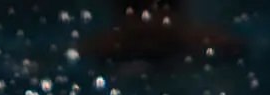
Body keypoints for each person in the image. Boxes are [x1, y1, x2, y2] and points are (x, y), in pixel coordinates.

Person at [79, 1, 246, 64]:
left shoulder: (212, 45)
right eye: (138, 9)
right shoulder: (98, 51)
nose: (150, 21)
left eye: (162, 6)